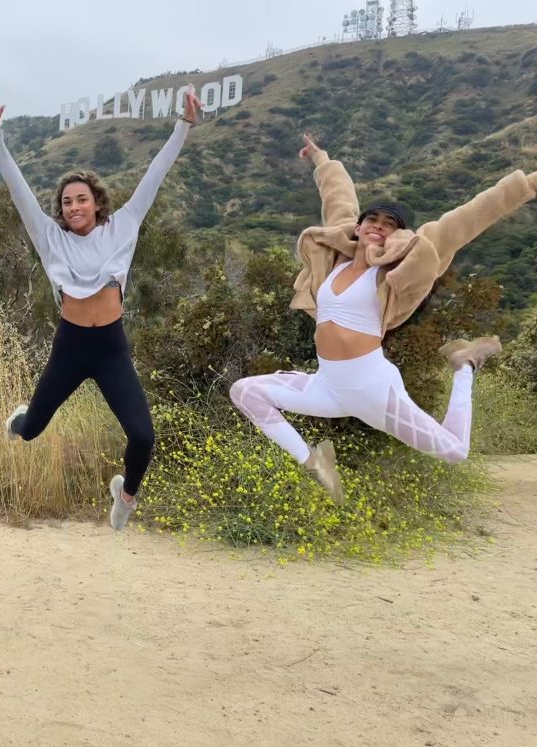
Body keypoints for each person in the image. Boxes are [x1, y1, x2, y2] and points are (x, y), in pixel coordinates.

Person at [229, 133, 537, 503]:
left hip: (375, 389)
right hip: (327, 385)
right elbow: (338, 195)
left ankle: (465, 364)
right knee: (244, 391)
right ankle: (314, 462)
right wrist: (321, 158)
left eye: (389, 223)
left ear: (399, 233)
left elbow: (469, 217)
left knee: (455, 451)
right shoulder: (334, 260)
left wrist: (529, 184)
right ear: (358, 228)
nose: (378, 225)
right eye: (371, 219)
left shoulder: (397, 270)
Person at [0, 87, 199, 530]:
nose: (73, 206)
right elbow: (16, 185)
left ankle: (126, 494)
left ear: (97, 203)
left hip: (111, 348)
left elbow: (155, 173)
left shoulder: (124, 227)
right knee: (29, 431)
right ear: (59, 211)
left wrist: (184, 126)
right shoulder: (50, 238)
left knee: (143, 436)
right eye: (66, 201)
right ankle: (22, 417)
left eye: (81, 199)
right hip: (71, 347)